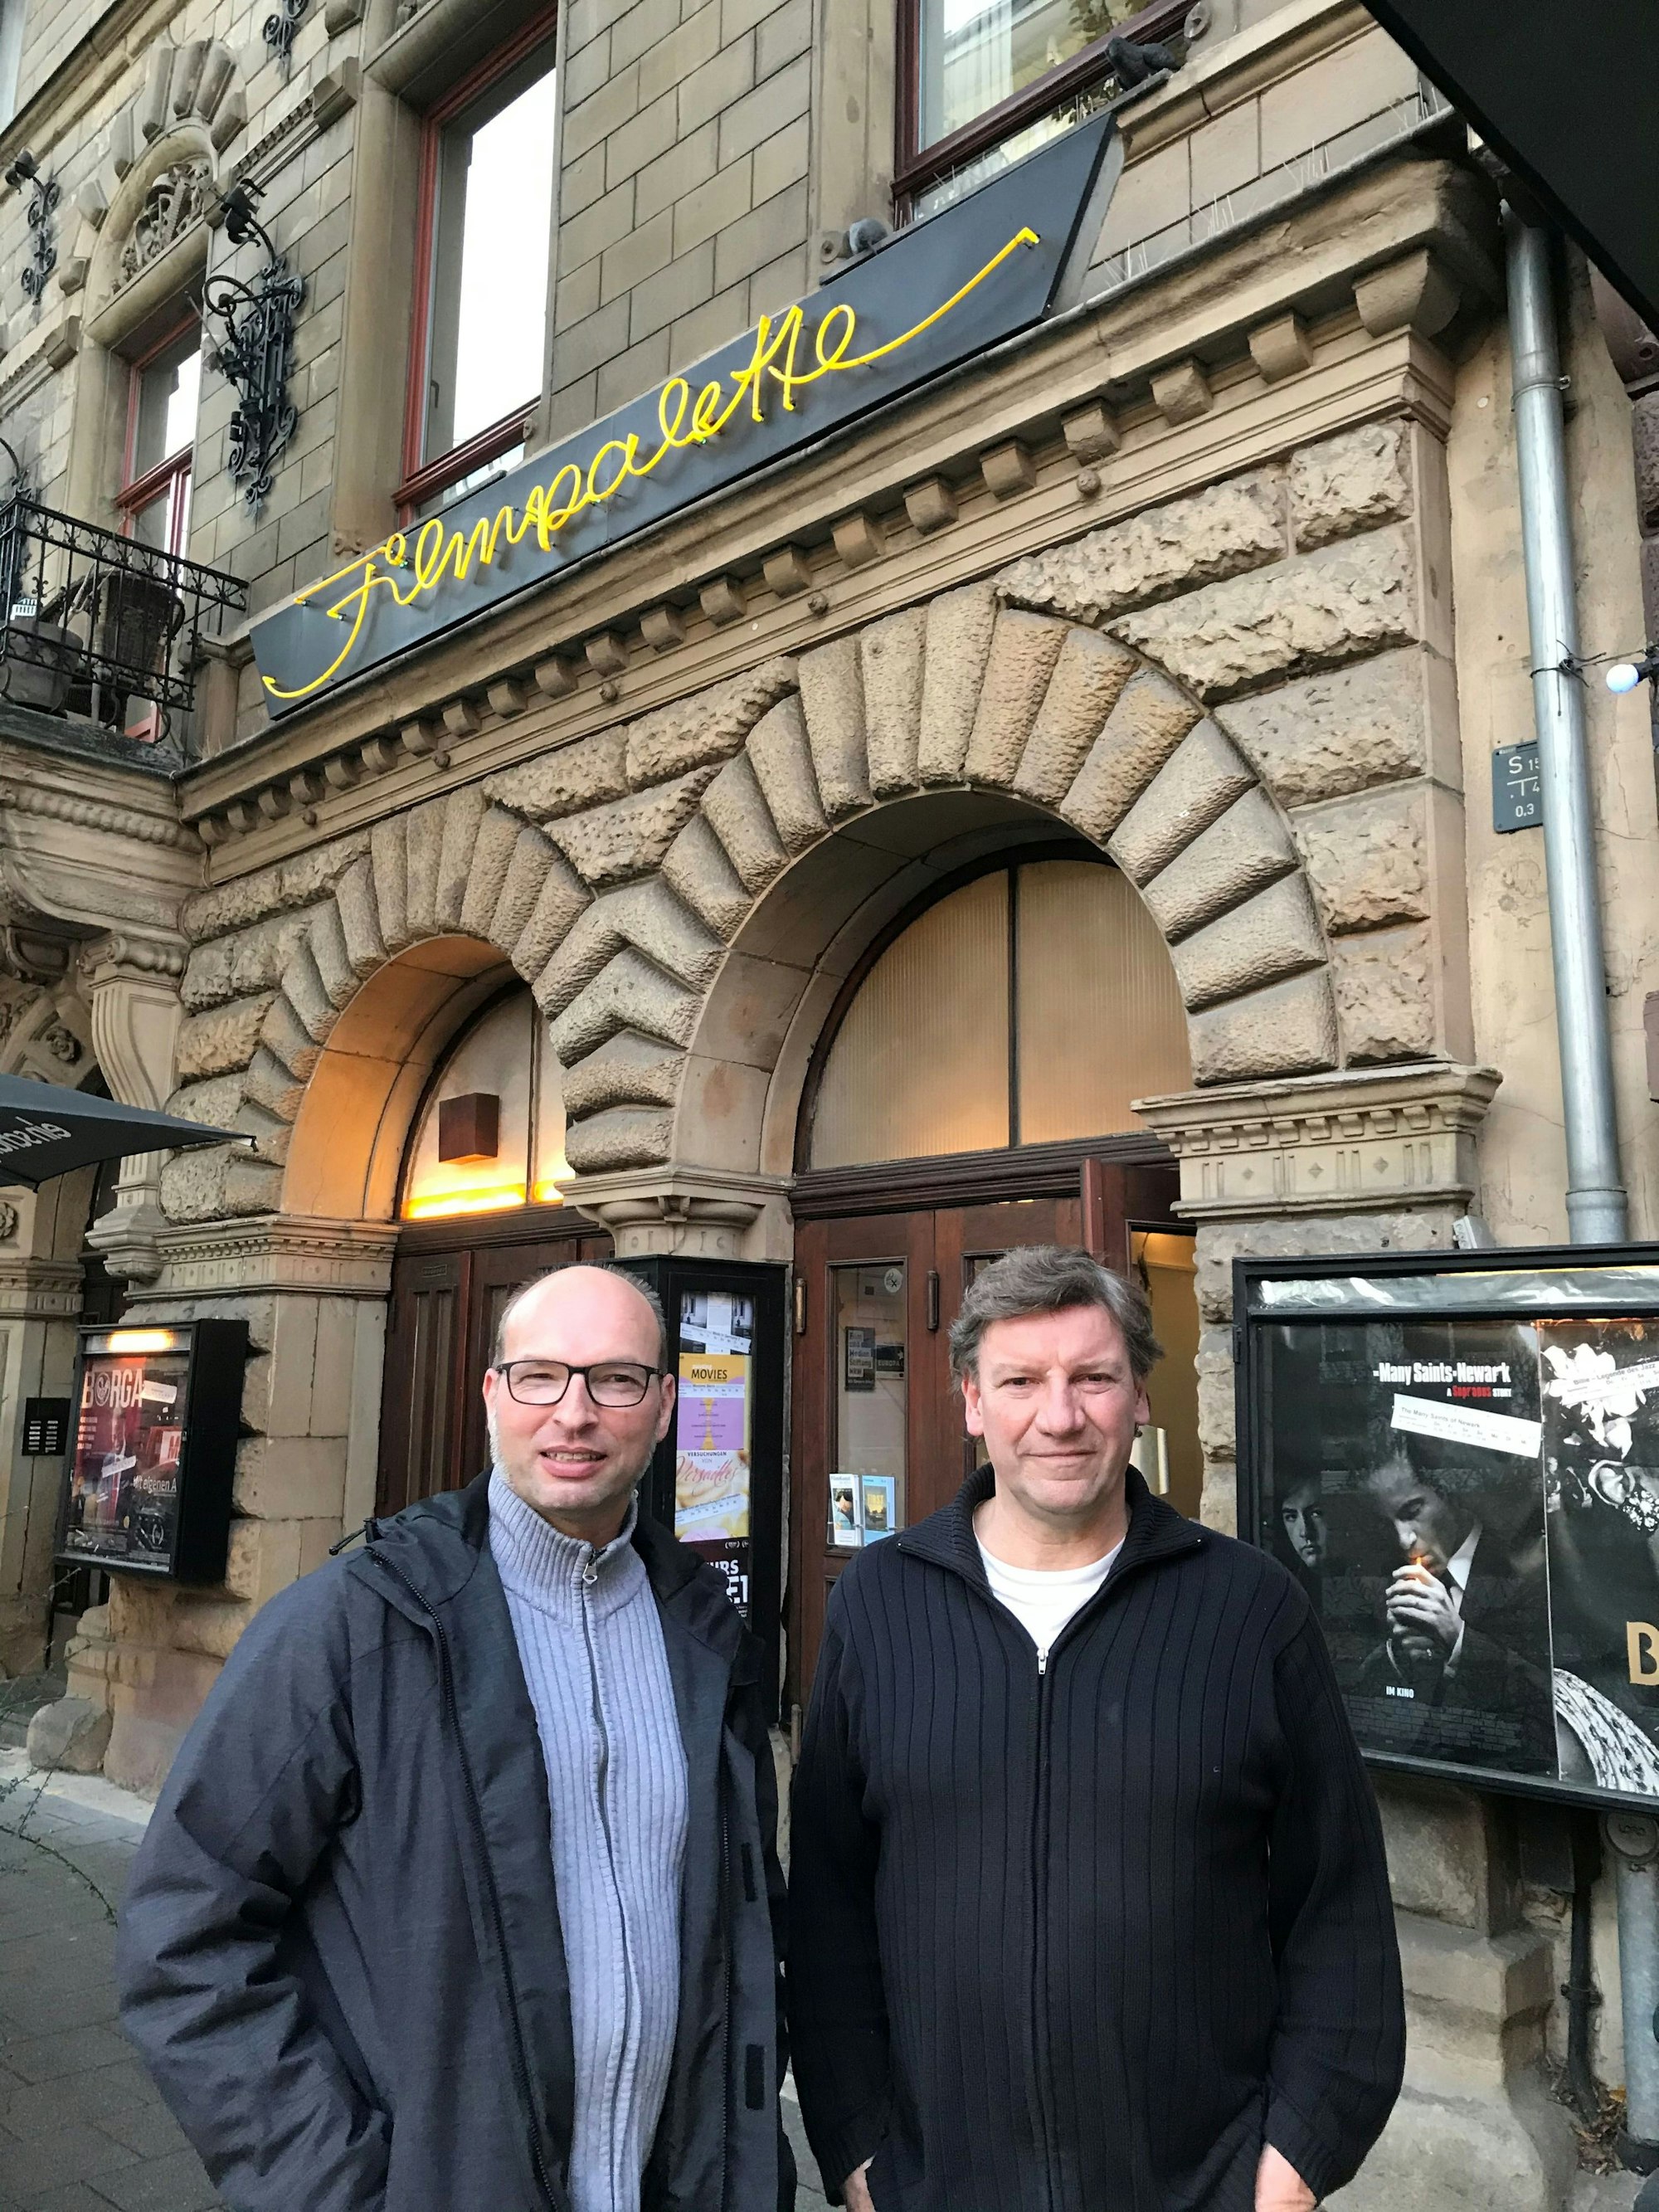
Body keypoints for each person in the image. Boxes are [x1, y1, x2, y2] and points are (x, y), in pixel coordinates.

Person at [117, 1263, 791, 2212]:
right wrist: (335, 2187)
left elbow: (742, 1937)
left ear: (667, 1402)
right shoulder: (354, 1624)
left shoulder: (707, 1637)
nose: (574, 1411)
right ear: (492, 1393)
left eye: (616, 1378)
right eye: (539, 1375)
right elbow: (183, 1935)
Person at [789, 1245, 1404, 2212]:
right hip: (935, 2182)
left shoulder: (1250, 1609)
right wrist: (859, 2152)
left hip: (1200, 2183)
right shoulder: (879, 1600)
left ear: (1139, 1397)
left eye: (1092, 1377)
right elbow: (828, 1901)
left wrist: (1294, 2162)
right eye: (1021, 1380)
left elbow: (1340, 1903)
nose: (1058, 1414)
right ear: (969, 1402)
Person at [1357, 1450, 1555, 1771]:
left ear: (1450, 1492)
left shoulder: (1528, 1567)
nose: (1403, 1540)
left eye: (1412, 1511)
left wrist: (1458, 1639)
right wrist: (1397, 1654)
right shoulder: (1382, 1583)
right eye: (1387, 1523)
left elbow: (1558, 1714)